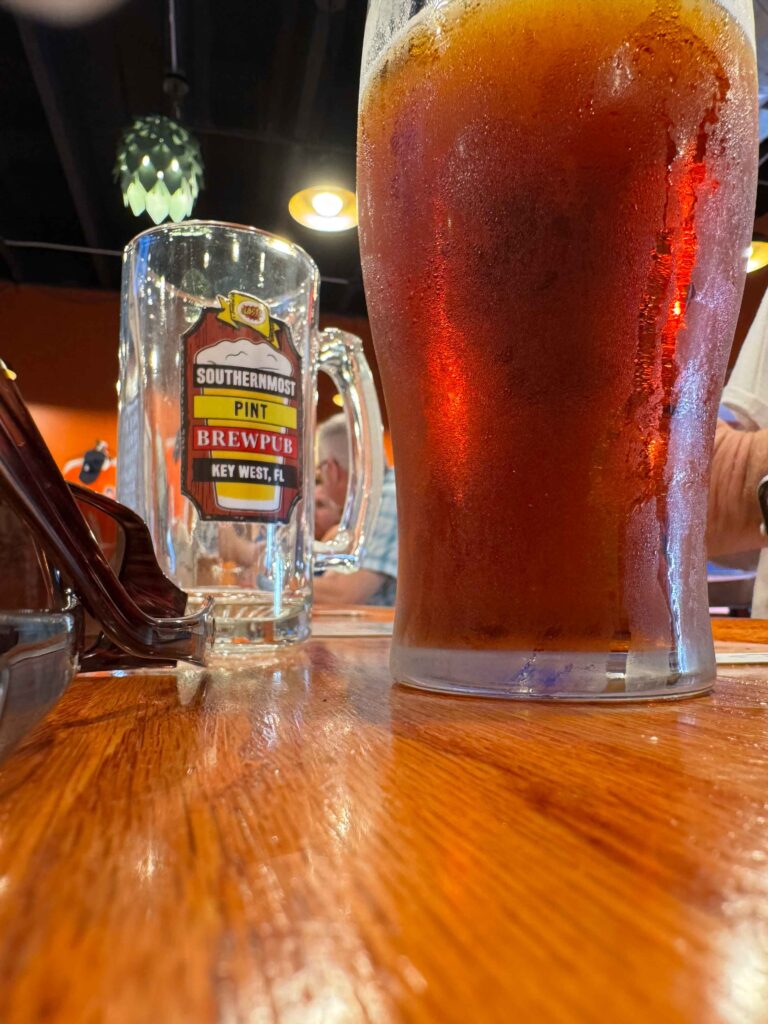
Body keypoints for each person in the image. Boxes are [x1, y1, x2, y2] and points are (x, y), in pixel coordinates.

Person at [313, 412, 398, 606]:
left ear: (331, 469)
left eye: (320, 471)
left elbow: (343, 594)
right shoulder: (370, 501)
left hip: (394, 634)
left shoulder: (386, 499)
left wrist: (268, 581)